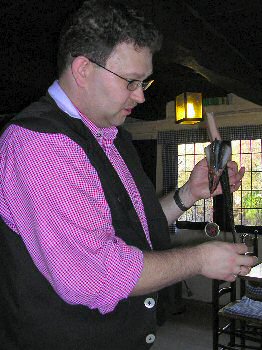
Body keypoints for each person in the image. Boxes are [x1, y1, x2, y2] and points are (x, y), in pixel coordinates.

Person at [0, 1, 256, 349]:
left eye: (143, 82)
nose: (140, 96)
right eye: (131, 82)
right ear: (83, 69)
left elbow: (131, 225)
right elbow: (93, 275)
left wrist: (189, 194)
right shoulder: (41, 144)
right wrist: (199, 258)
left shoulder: (111, 135)